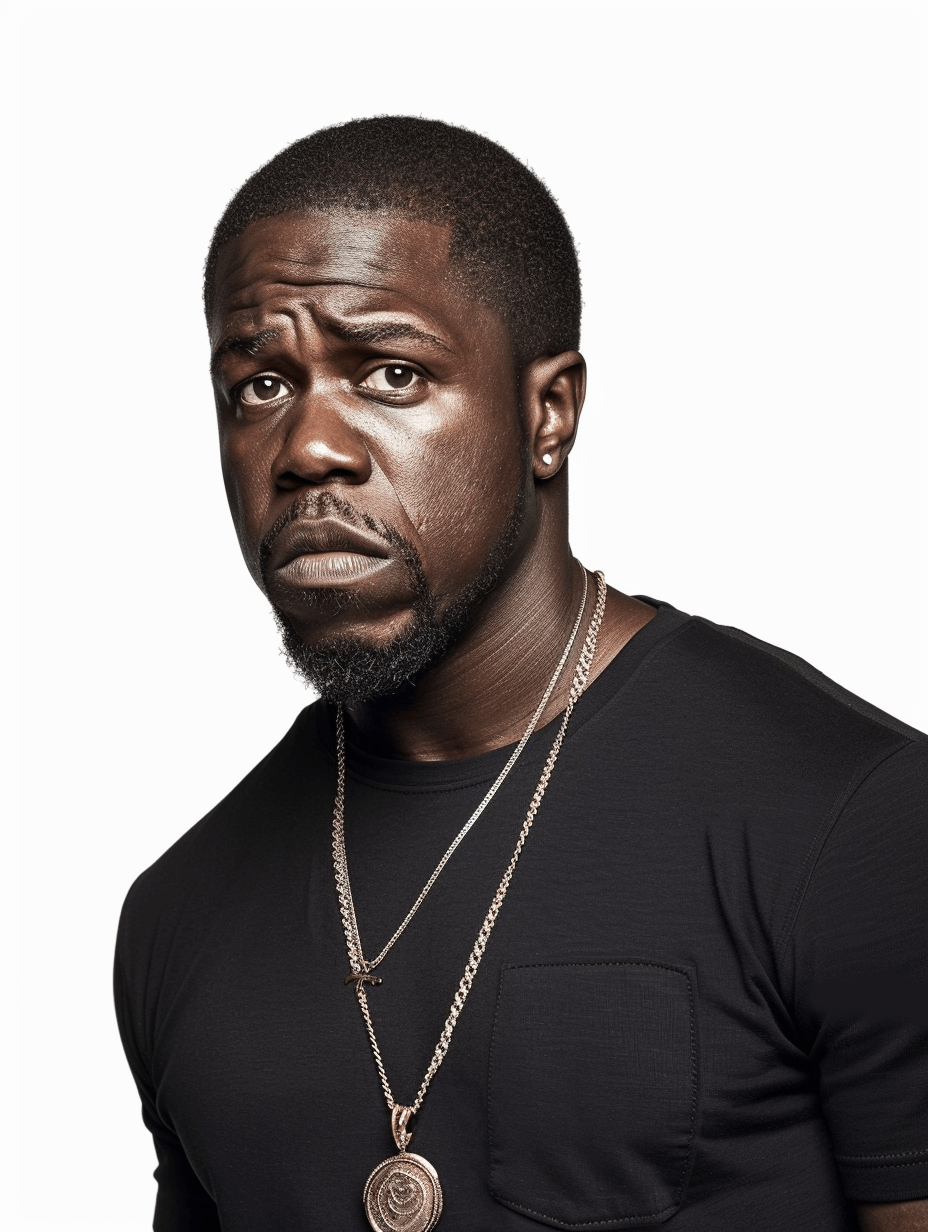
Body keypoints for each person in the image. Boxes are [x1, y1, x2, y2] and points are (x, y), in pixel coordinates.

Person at [114, 117, 928, 1232]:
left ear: (548, 413)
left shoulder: (853, 821)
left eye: (389, 372)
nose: (307, 445)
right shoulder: (179, 914)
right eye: (257, 384)